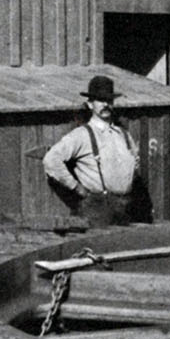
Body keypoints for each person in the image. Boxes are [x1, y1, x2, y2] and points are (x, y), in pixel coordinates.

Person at [43, 75, 141, 227]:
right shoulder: (82, 135)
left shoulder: (123, 135)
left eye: (109, 100)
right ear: (90, 104)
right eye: (100, 101)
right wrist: (77, 188)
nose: (105, 105)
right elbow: (51, 160)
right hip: (96, 209)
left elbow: (135, 164)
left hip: (125, 207)